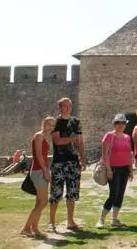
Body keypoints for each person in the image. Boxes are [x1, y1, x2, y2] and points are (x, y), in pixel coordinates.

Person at [49, 97, 86, 232]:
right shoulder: (55, 122)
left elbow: (80, 142)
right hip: (59, 162)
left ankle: (70, 221)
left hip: (73, 162)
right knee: (55, 193)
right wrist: (73, 138)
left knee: (72, 193)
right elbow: (57, 141)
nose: (68, 108)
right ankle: (51, 223)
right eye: (65, 106)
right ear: (60, 108)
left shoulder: (76, 122)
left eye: (69, 105)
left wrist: (83, 158)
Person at [96, 114, 134, 229]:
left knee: (120, 194)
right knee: (113, 195)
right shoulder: (109, 136)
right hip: (113, 168)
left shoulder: (127, 137)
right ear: (114, 124)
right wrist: (108, 170)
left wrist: (130, 170)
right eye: (118, 123)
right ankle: (101, 219)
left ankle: (115, 219)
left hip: (124, 169)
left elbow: (129, 155)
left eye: (123, 123)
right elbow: (105, 155)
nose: (121, 125)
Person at [22, 117, 56, 238]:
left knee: (39, 202)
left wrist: (46, 170)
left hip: (40, 170)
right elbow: (39, 155)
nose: (51, 127)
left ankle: (34, 228)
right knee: (43, 202)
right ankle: (26, 228)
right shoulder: (39, 135)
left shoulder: (44, 137)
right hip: (38, 171)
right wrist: (46, 171)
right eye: (49, 124)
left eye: (53, 125)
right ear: (43, 123)